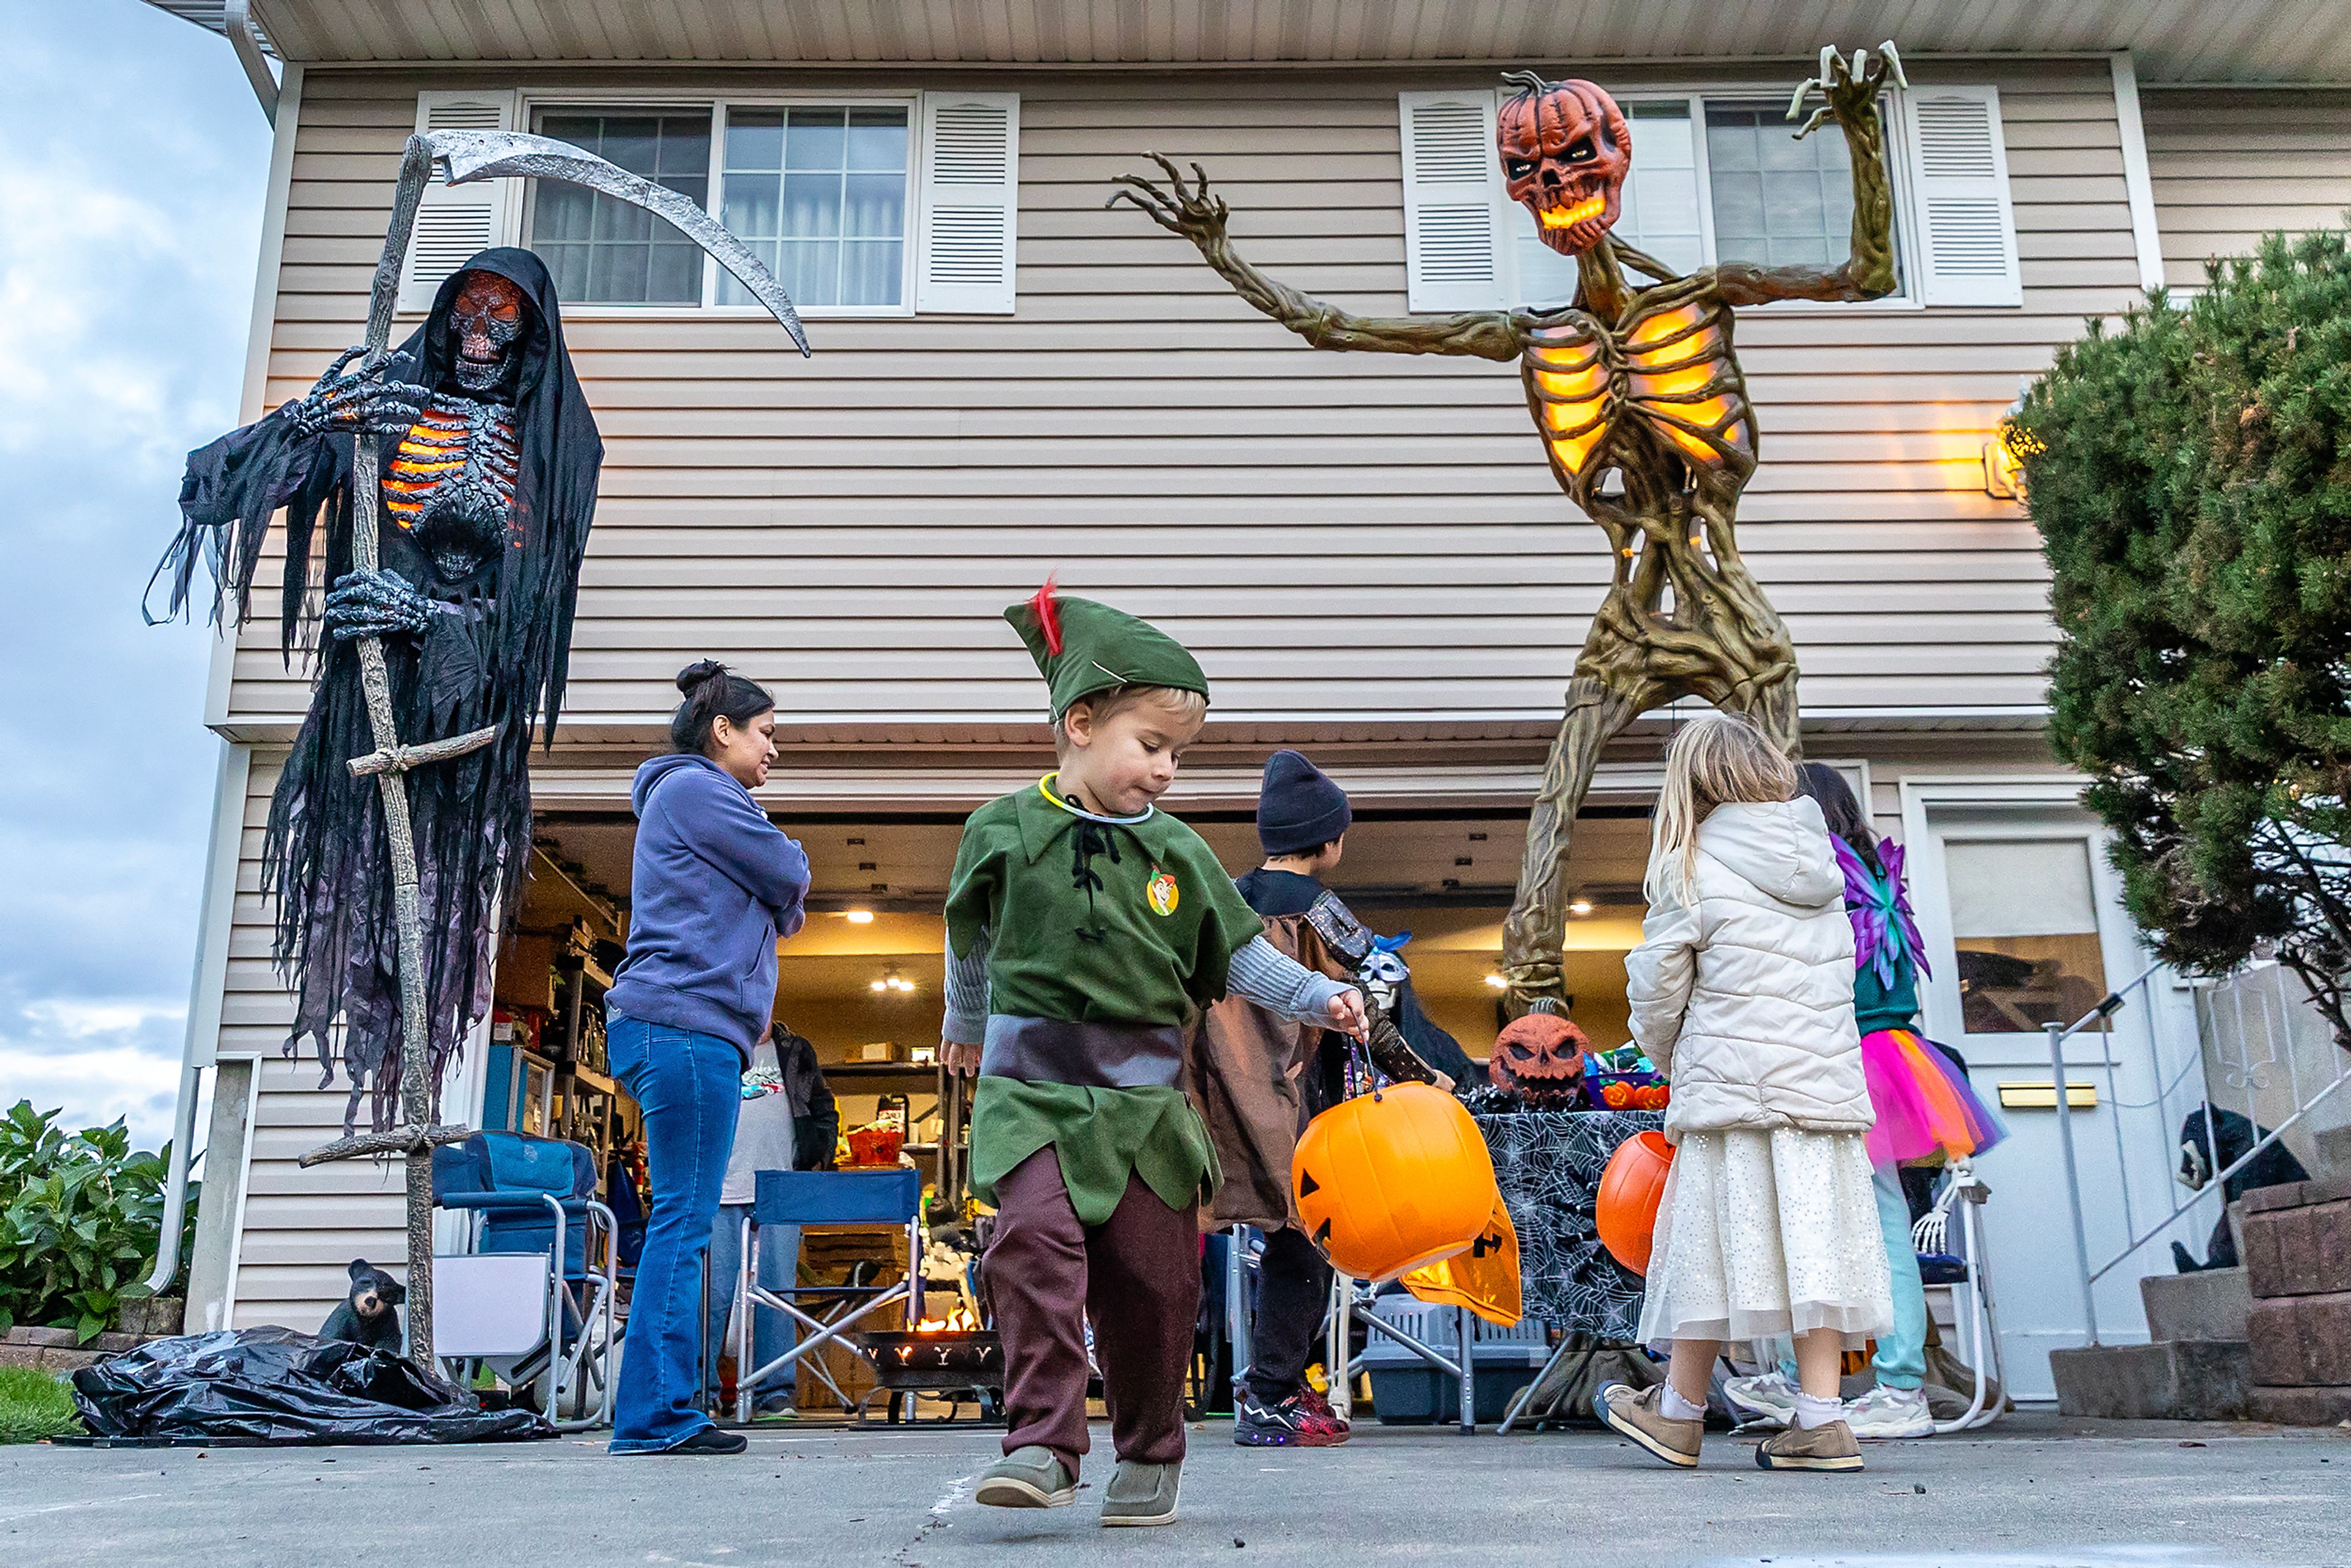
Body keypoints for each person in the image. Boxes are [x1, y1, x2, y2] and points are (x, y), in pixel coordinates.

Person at [940, 583, 1367, 1526]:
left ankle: (1149, 1452)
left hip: (1146, 1105)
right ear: (1081, 722)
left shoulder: (1180, 853)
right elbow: (968, 936)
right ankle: (1044, 1443)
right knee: (1030, 1246)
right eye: (1152, 745)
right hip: (1031, 1092)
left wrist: (1319, 995)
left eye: (1180, 753)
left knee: (1154, 1280)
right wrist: (964, 1023)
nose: (1168, 769)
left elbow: (1242, 955)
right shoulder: (1001, 828)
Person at [1594, 712, 1892, 1472]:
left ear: (1692, 782)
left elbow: (1659, 988)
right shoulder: (1818, 860)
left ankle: (1678, 1411)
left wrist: (1667, 1056)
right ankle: (1823, 1419)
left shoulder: (1690, 862)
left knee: (1707, 1249)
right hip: (1821, 1092)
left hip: (1731, 1092)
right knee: (1812, 1253)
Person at [1726, 763, 2007, 1439]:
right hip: (1892, 1055)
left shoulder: (1830, 881)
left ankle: (1896, 1385)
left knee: (1866, 1228)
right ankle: (1832, 1376)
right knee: (1847, 1225)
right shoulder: (1871, 874)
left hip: (1851, 1060)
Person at [1194, 749, 1449, 1447]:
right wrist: (1432, 1077)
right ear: (1330, 840)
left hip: (1223, 1101)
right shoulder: (1323, 911)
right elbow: (1377, 1003)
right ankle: (1271, 1393)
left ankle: (1269, 1380)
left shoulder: (1231, 897)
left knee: (1268, 1241)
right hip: (1304, 1103)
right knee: (1305, 1244)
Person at [606, 661, 811, 1456]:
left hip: (679, 1027)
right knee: (685, 1224)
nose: (775, 751)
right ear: (723, 729)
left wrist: (774, 888)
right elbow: (791, 872)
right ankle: (657, 1415)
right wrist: (776, 880)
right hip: (686, 1026)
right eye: (767, 733)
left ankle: (656, 1409)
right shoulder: (699, 791)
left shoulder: (694, 798)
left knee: (681, 1221)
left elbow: (782, 896)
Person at [705, 1021, 838, 1419]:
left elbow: (823, 1108)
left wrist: (819, 1155)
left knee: (777, 1295)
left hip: (782, 1186)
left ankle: (775, 1393)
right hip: (721, 1187)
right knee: (711, 1295)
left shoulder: (796, 1049)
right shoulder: (718, 1044)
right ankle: (700, 1391)